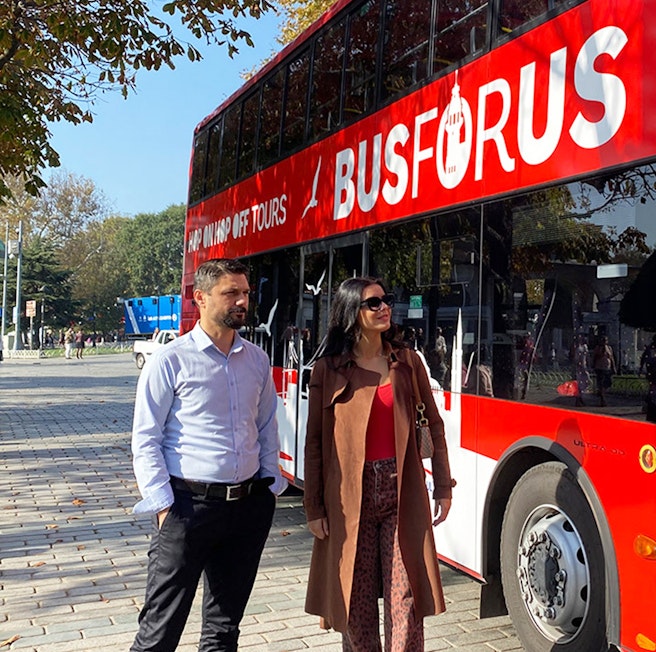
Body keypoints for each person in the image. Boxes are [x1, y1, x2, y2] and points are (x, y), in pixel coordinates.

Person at [129, 258, 287, 651]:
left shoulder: (257, 359)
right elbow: (146, 438)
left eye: (246, 293)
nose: (242, 301)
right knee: (158, 632)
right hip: (188, 507)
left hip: (247, 507)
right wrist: (165, 507)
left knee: (223, 629)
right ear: (200, 298)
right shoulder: (171, 360)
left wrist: (270, 487)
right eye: (230, 293)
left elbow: (267, 425)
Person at [304, 277, 453, 651]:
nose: (385, 307)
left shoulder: (406, 361)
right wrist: (314, 507)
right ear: (352, 311)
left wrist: (445, 486)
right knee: (355, 600)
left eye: (387, 300)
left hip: (401, 490)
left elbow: (433, 423)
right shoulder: (328, 369)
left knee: (406, 599)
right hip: (349, 497)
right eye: (374, 303)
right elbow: (315, 442)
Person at [592, 335, 615, 407]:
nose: (605, 342)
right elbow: (595, 357)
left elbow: (611, 358)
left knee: (608, 382)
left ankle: (601, 392)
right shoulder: (598, 348)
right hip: (600, 368)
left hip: (607, 368)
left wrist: (613, 366)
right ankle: (602, 399)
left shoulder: (609, 348)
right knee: (601, 383)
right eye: (603, 340)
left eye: (606, 340)